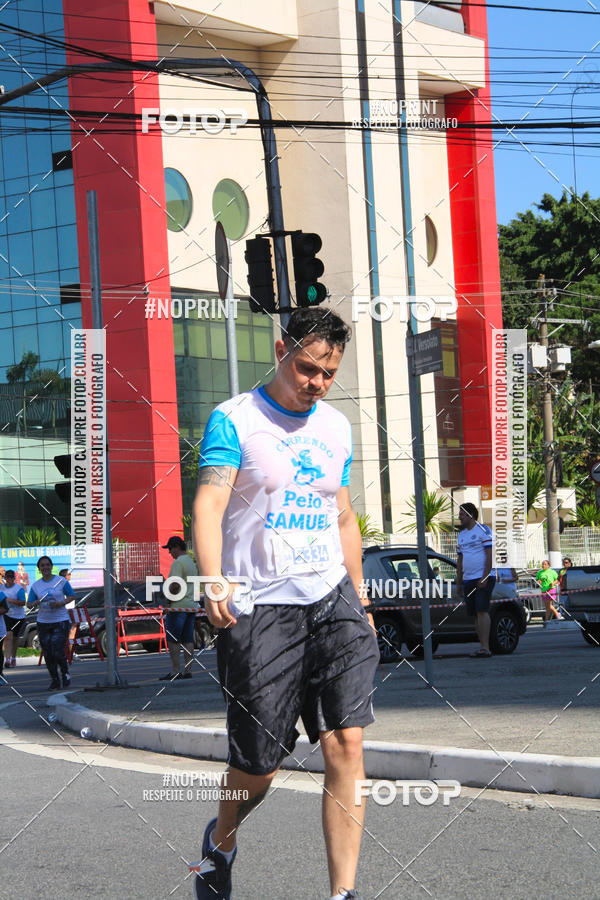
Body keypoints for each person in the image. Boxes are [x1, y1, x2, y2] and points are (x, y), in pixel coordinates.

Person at [190, 308, 378, 900]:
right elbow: (209, 507)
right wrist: (214, 579)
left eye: (328, 374)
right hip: (261, 607)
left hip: (331, 598)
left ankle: (342, 894)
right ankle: (220, 842)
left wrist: (361, 596)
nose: (316, 383)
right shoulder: (235, 420)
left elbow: (341, 513)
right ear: (280, 350)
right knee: (259, 769)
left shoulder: (336, 428)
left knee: (347, 743)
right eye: (307, 368)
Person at [27, 556, 74, 690]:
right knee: (47, 652)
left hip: (60, 620)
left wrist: (60, 603)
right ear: (39, 568)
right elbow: (29, 604)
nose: (45, 567)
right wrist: (33, 603)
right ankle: (54, 679)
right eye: (42, 565)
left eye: (47, 565)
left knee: (57, 650)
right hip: (43, 622)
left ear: (51, 566)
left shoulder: (61, 581)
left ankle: (65, 674)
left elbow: (72, 595)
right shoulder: (36, 586)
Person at [456, 502, 496, 658]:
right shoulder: (461, 535)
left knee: (482, 610)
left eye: (462, 514)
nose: (459, 517)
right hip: (468, 579)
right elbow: (460, 560)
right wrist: (459, 582)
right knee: (474, 613)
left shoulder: (483, 530)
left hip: (483, 577)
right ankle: (482, 646)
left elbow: (489, 555)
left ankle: (486, 647)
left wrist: (485, 577)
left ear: (471, 515)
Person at [159, 536, 199, 681]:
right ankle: (188, 670)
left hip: (178, 607)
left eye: (170, 549)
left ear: (176, 547)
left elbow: (175, 585)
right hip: (190, 606)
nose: (170, 553)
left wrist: (169, 601)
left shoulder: (178, 563)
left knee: (173, 640)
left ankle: (175, 670)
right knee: (188, 639)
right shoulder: (190, 562)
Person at [0, 569, 27, 669]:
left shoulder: (18, 589)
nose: (9, 579)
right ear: (5, 578)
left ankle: (13, 658)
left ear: (14, 578)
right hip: (7, 615)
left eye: (11, 577)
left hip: (18, 616)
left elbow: (22, 603)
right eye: (8, 577)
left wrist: (9, 600)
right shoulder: (2, 588)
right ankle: (7, 660)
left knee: (15, 638)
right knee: (8, 636)